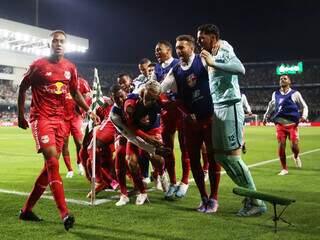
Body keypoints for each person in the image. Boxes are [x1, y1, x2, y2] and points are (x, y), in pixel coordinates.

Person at [17, 30, 99, 230]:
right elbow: (22, 87)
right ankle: (65, 214)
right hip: (41, 119)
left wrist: (89, 111)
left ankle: (27, 210)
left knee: (49, 168)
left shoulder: (70, 67)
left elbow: (75, 92)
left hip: (61, 121)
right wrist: (20, 115)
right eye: (55, 41)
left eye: (62, 41)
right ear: (49, 44)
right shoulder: (37, 66)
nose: (59, 44)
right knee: (53, 162)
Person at [197, 23, 267, 216]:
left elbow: (240, 68)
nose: (199, 40)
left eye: (202, 37)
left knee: (234, 158)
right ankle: (250, 197)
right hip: (218, 107)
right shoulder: (208, 54)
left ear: (213, 36)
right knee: (219, 157)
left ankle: (256, 201)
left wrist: (213, 63)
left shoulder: (224, 47)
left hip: (230, 105)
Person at [161, 35, 221, 213]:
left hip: (209, 118)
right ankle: (203, 197)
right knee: (194, 159)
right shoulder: (176, 70)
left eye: (182, 47)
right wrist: (144, 91)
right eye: (177, 48)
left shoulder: (203, 61)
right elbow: (161, 88)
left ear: (191, 48)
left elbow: (217, 80)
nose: (179, 51)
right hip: (189, 122)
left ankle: (214, 198)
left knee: (212, 157)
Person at [153, 40, 191, 199]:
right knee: (167, 148)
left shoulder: (178, 63)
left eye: (159, 49)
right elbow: (154, 87)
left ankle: (184, 181)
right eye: (155, 50)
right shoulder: (156, 68)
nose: (156, 52)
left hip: (180, 110)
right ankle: (173, 182)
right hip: (165, 112)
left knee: (184, 147)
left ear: (168, 50)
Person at [263, 74, 308, 175]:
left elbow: (304, 106)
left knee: (294, 147)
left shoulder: (295, 94)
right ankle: (284, 169)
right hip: (280, 124)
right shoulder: (275, 93)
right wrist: (265, 116)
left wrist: (304, 116)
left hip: (292, 125)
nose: (282, 80)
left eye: (285, 78)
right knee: (281, 145)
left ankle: (295, 156)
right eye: (281, 79)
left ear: (289, 81)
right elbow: (271, 106)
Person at [62, 76, 91, 178]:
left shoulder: (82, 82)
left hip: (76, 117)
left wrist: (82, 105)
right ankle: (69, 169)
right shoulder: (59, 82)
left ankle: (79, 163)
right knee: (64, 144)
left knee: (79, 143)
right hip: (62, 118)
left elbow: (88, 95)